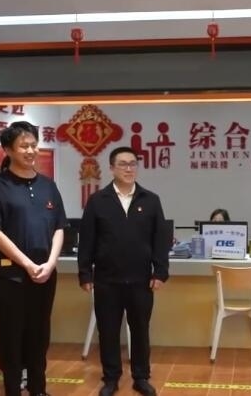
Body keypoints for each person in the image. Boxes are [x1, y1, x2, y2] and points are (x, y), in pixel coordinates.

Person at [0, 121, 66, 396]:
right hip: (11, 275)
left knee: (40, 334)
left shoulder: (48, 186)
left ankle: (38, 389)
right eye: (23, 146)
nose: (30, 151)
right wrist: (27, 264)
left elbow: (59, 227)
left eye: (33, 145)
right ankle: (13, 389)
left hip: (45, 274)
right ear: (8, 150)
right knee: (12, 335)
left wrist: (50, 263)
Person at [78, 147, 169, 396]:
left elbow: (160, 239)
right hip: (107, 280)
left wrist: (160, 272)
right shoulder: (98, 201)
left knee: (140, 330)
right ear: (111, 168)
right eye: (123, 164)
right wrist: (85, 273)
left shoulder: (150, 200)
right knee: (108, 331)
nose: (129, 169)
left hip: (141, 280)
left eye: (133, 164)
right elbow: (87, 240)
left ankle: (141, 377)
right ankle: (111, 378)